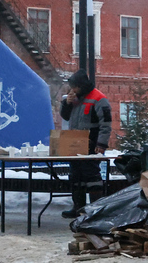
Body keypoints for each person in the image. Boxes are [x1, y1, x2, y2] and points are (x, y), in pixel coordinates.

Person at [59, 69, 112, 218]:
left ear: (81, 86)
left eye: (74, 87)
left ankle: (96, 210)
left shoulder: (99, 99)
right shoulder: (74, 98)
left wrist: (101, 145)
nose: (72, 90)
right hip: (75, 142)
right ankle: (78, 207)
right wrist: (66, 103)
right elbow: (65, 116)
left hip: (91, 142)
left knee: (92, 176)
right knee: (76, 176)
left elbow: (106, 124)